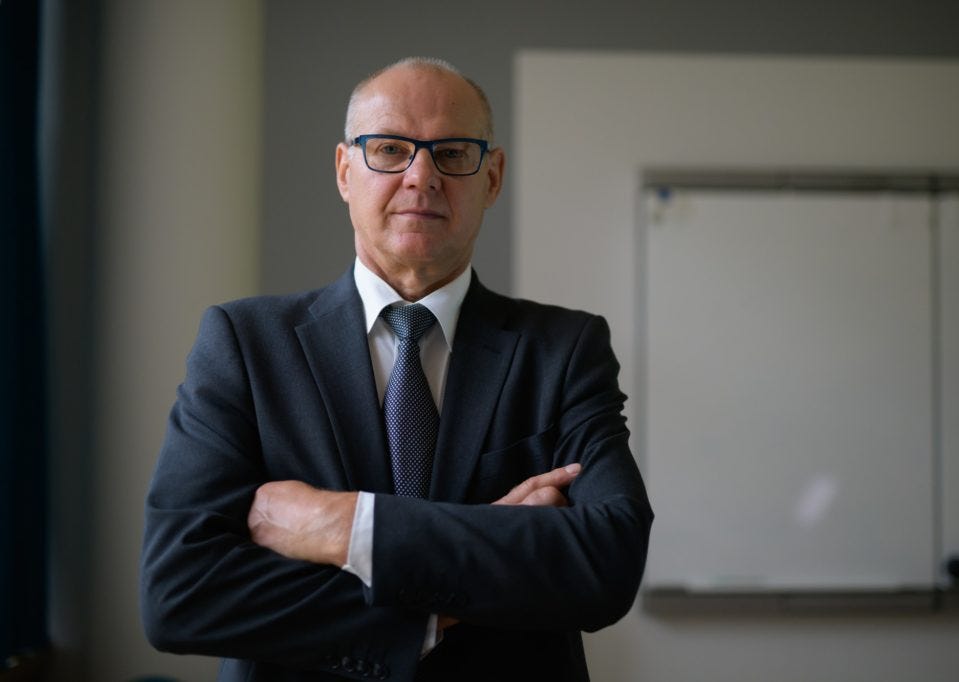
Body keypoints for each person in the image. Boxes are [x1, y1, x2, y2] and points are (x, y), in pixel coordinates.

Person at [140, 56, 653, 682]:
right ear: (343, 171)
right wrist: (456, 588)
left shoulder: (565, 349)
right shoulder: (244, 344)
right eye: (389, 149)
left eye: (454, 153)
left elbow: (608, 561)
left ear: (492, 177)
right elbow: (180, 592)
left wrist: (345, 526)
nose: (422, 176)